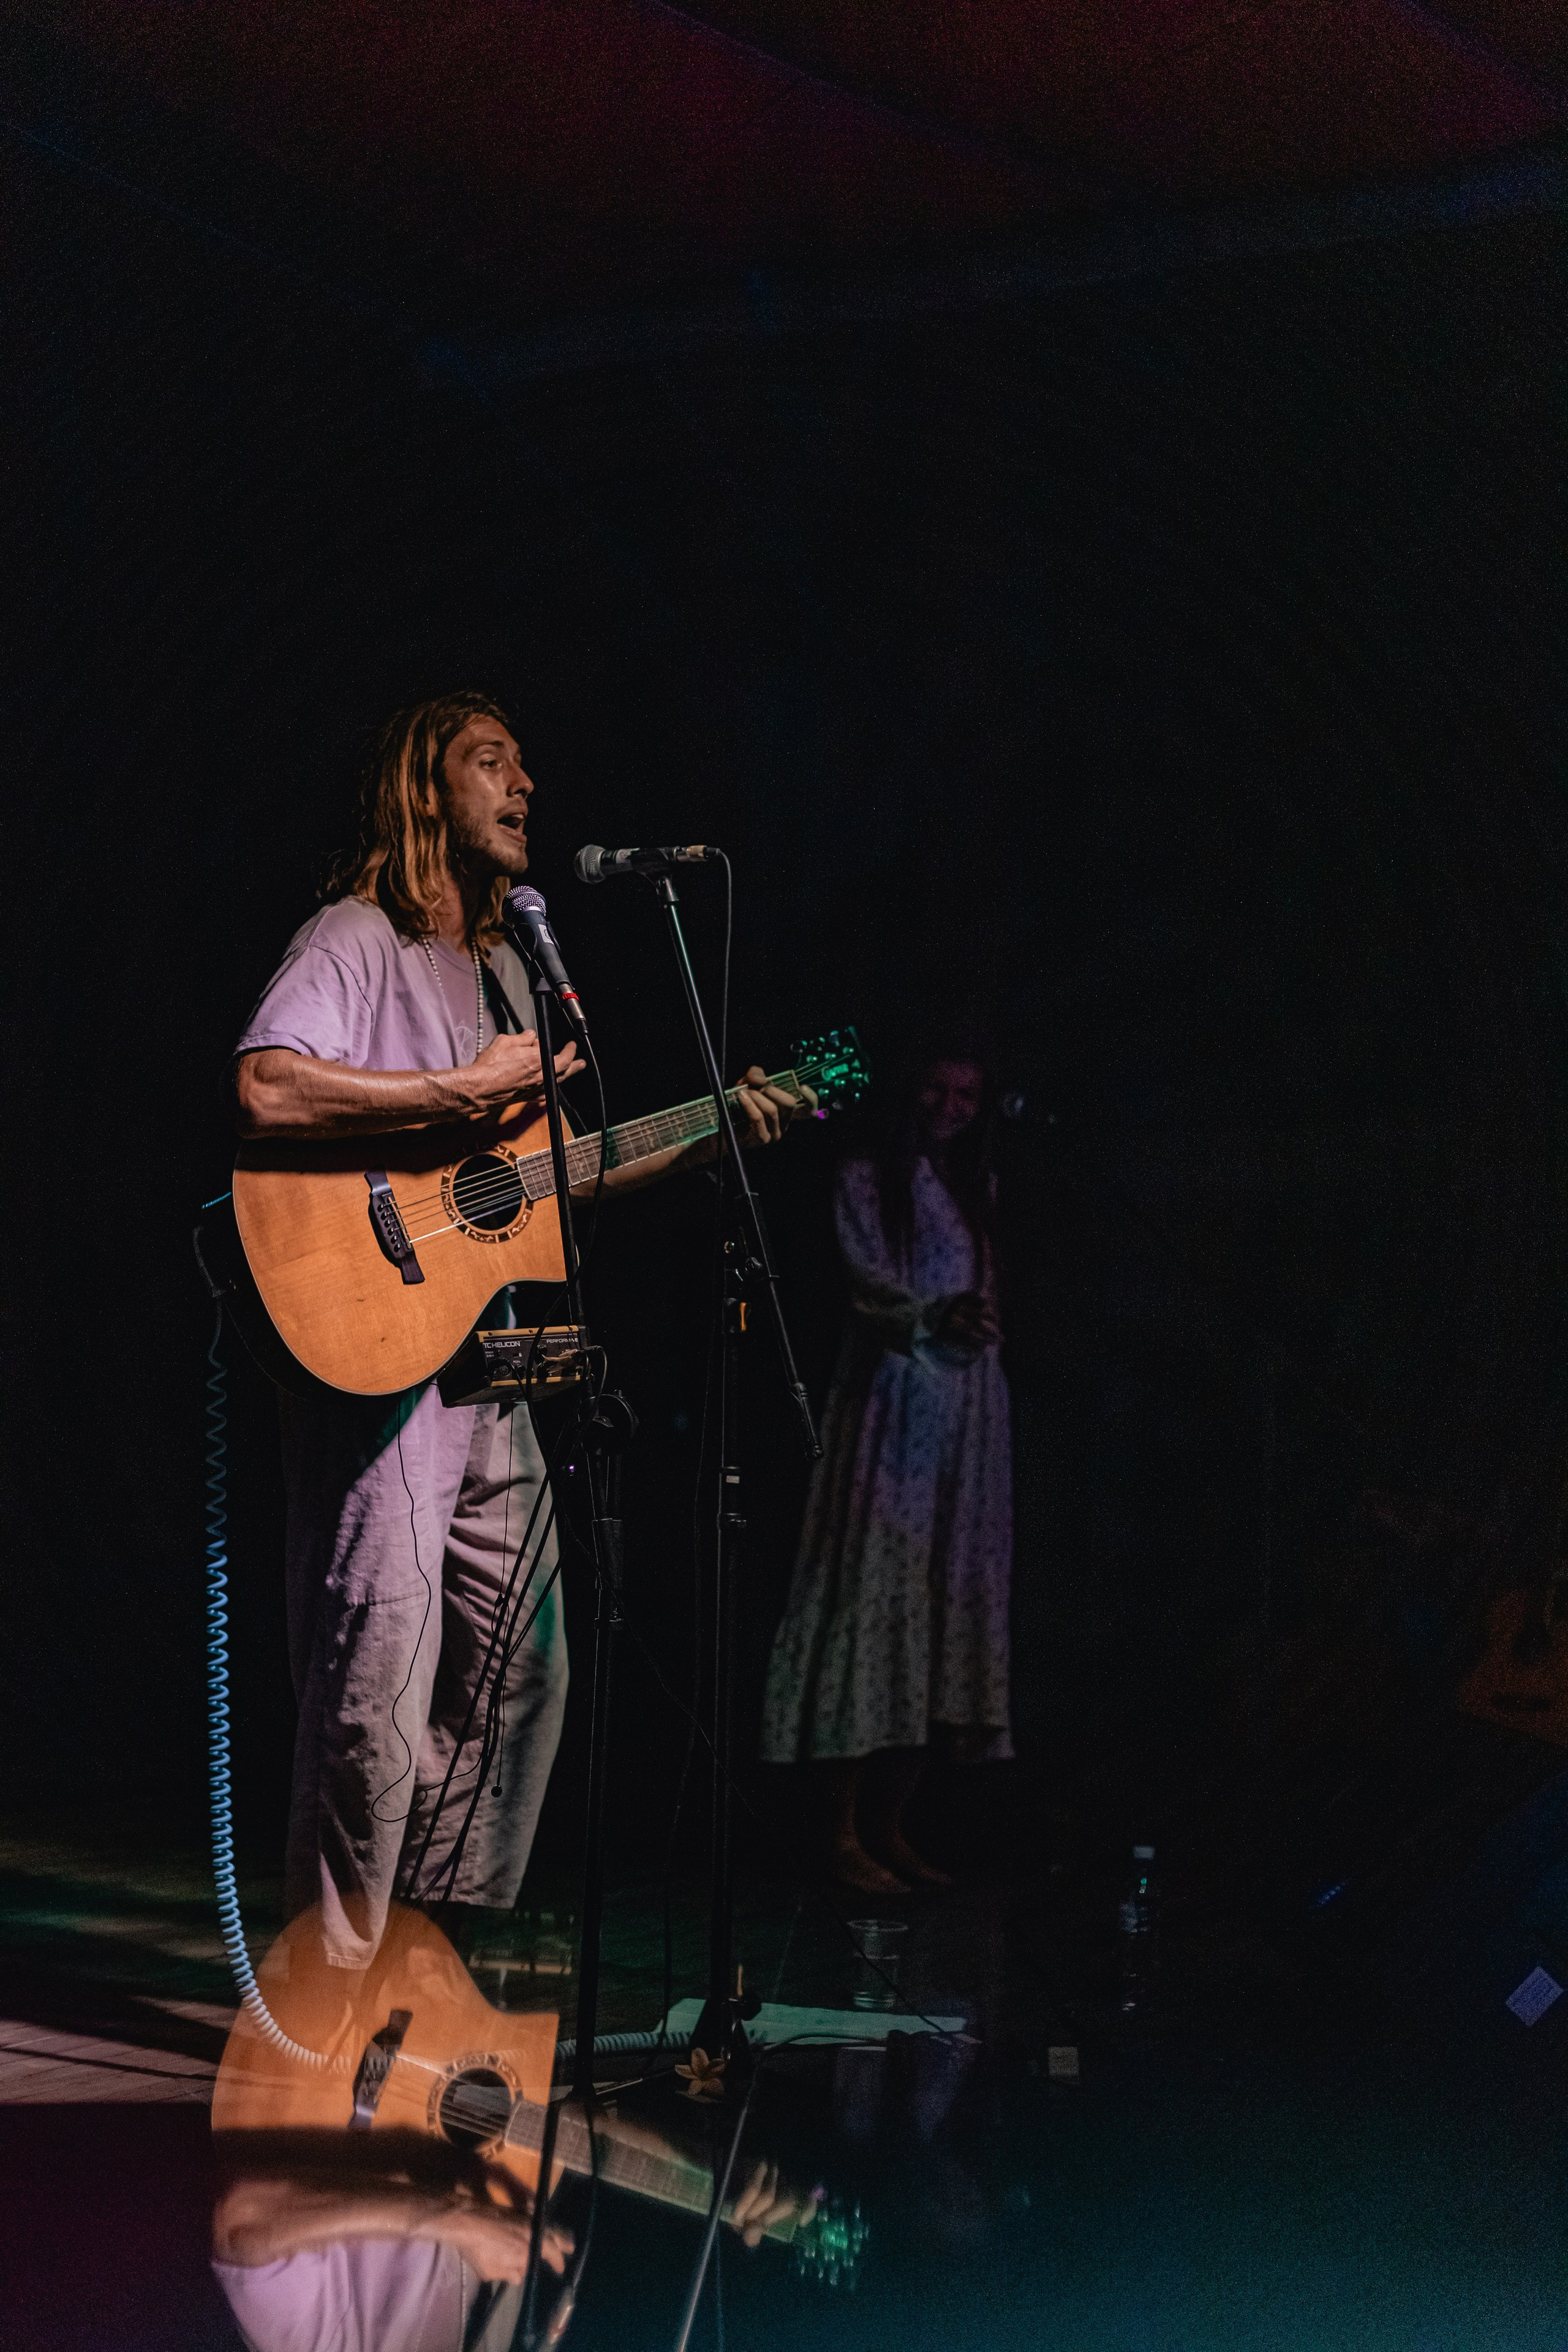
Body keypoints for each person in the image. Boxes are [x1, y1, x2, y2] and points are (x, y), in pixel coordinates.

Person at [232, 690, 807, 1969]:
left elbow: (537, 1183)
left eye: (526, 763)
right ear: (424, 792)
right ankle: (324, 1994)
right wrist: (462, 1086)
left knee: (523, 1664)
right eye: (491, 761)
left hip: (487, 1360)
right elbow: (266, 1083)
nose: (526, 784)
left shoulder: (505, 967)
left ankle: (425, 1964)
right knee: (374, 1682)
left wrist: (719, 1121)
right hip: (370, 1347)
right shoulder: (353, 938)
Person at [760, 1048, 1012, 1893]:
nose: (953, 1104)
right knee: (872, 1595)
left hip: (964, 1413)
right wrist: (935, 1315)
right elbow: (870, 1291)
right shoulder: (869, 1178)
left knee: (942, 1604)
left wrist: (976, 1323)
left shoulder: (976, 1192)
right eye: (939, 1087)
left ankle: (892, 1825)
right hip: (894, 1401)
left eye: (968, 1092)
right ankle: (836, 1831)